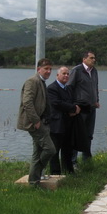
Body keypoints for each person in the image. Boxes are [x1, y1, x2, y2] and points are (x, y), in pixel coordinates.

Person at [17, 58, 57, 186]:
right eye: (46, 69)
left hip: (43, 122)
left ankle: (34, 182)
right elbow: (27, 102)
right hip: (35, 123)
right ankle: (36, 172)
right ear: (38, 69)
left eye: (50, 69)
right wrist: (36, 120)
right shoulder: (32, 81)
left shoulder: (42, 82)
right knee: (50, 149)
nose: (48, 71)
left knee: (37, 153)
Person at [47, 66, 80, 175]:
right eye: (64, 74)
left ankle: (69, 171)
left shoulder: (68, 88)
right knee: (55, 151)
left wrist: (75, 107)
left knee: (68, 150)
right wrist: (73, 108)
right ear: (57, 75)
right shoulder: (52, 88)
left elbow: (73, 101)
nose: (66, 76)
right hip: (57, 125)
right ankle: (55, 173)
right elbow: (57, 103)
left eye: (67, 74)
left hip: (68, 124)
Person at [68, 51, 100, 161]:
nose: (94, 60)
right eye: (91, 58)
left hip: (92, 107)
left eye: (94, 58)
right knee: (77, 135)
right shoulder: (76, 70)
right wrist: (73, 106)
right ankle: (73, 161)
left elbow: (95, 87)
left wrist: (96, 100)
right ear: (84, 59)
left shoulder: (94, 71)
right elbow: (69, 88)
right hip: (80, 108)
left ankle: (86, 159)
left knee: (89, 134)